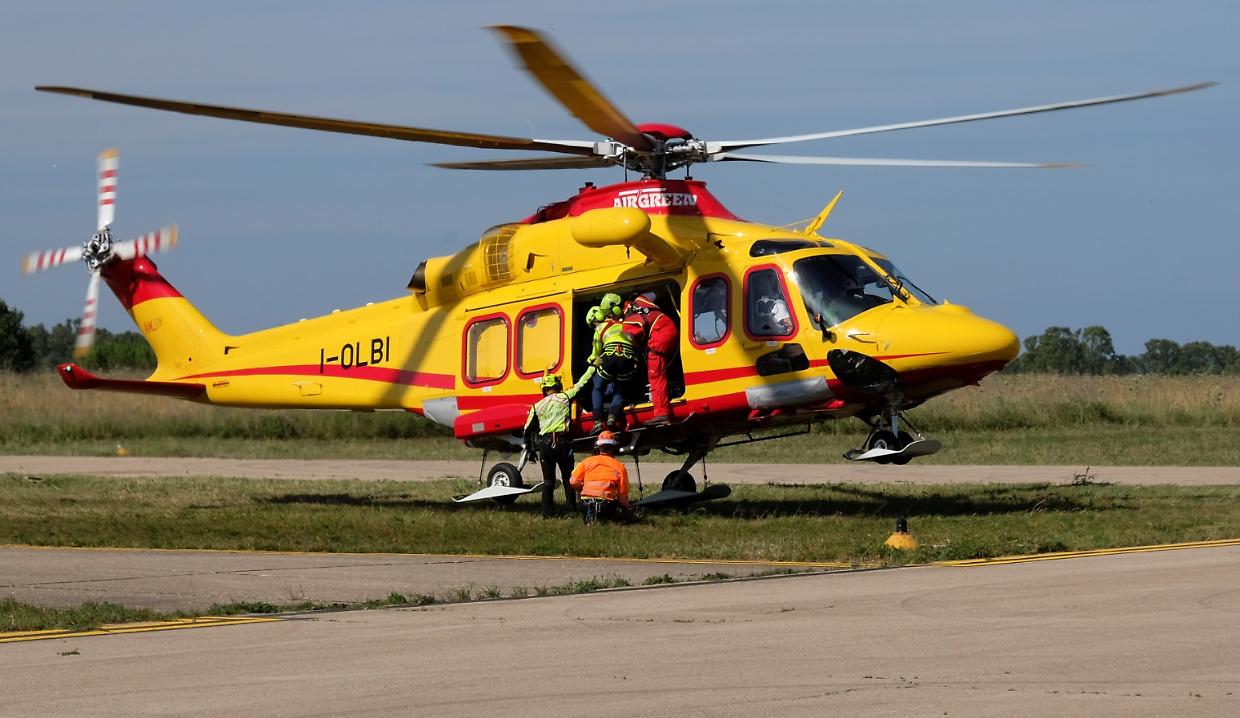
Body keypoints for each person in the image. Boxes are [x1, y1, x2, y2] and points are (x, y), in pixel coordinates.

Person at [523, 366, 595, 518]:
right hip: (563, 443)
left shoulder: (537, 406)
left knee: (548, 481)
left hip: (545, 446)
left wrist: (530, 450)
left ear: (544, 389)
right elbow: (581, 383)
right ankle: (571, 509)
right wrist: (592, 367)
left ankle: (547, 513)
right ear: (557, 386)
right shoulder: (565, 397)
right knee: (568, 479)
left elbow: (527, 430)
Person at [626, 292, 678, 425]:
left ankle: (662, 414)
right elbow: (656, 294)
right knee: (664, 370)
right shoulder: (642, 299)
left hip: (659, 337)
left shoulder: (629, 319)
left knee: (655, 376)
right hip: (670, 328)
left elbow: (632, 337)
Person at [590, 306, 642, 433]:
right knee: (620, 389)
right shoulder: (626, 324)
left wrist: (590, 361)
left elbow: (596, 353)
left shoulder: (600, 328)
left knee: (597, 388)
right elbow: (637, 344)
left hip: (610, 358)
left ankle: (597, 421)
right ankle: (612, 417)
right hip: (628, 360)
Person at [569, 431, 634, 524]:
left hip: (585, 504)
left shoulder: (586, 462)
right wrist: (628, 509)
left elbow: (573, 481)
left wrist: (580, 489)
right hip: (606, 506)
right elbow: (622, 496)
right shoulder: (619, 467)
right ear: (615, 448)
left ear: (598, 447)